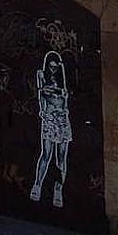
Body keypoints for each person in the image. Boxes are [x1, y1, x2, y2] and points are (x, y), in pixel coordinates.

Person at [29, 51, 72, 209]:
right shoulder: (41, 74)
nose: (53, 70)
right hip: (49, 116)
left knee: (61, 156)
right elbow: (41, 94)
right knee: (46, 153)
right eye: (51, 67)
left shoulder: (62, 76)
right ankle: (37, 184)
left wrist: (64, 101)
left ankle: (58, 189)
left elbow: (65, 95)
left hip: (61, 116)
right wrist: (42, 110)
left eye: (56, 67)